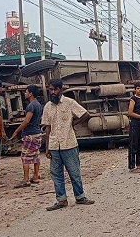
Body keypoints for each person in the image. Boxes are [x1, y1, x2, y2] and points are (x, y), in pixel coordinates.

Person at [41, 79, 94, 211]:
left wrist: (73, 123)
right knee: (56, 174)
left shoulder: (70, 103)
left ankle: (80, 197)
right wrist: (47, 148)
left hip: (69, 143)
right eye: (50, 89)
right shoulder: (47, 106)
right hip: (54, 145)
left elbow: (85, 114)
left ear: (60, 89)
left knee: (74, 172)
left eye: (54, 89)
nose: (52, 92)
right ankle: (61, 199)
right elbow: (47, 128)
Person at [10, 85, 43, 188]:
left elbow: (26, 121)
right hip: (37, 133)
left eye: (26, 92)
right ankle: (36, 176)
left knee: (25, 157)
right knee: (36, 155)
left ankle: (26, 180)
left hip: (30, 134)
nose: (25, 93)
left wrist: (16, 131)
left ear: (31, 94)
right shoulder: (38, 104)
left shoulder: (31, 106)